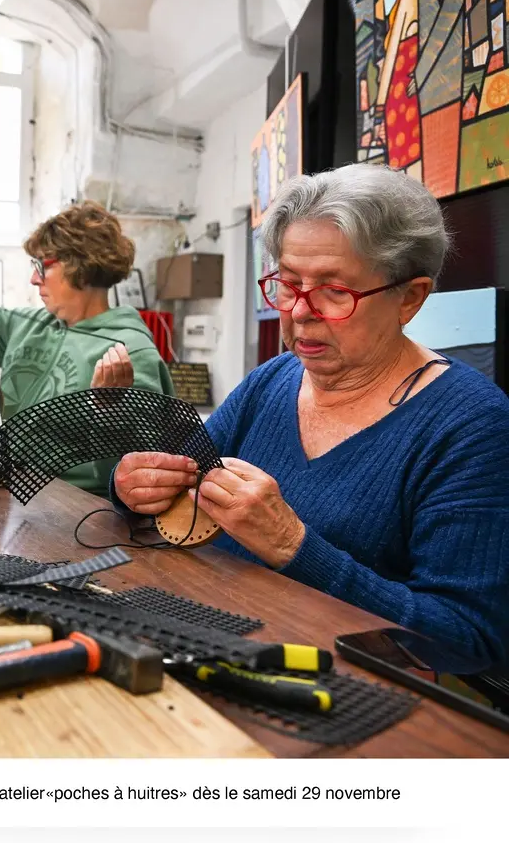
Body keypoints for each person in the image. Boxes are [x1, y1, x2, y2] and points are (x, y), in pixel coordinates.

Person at [111, 164, 509, 668]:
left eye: (334, 292)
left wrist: (294, 546)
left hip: (338, 698)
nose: (300, 311)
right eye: (288, 283)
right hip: (213, 649)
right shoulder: (272, 380)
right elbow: (177, 490)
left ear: (410, 298)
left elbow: (467, 639)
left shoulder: (471, 425)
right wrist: (134, 489)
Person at [0, 201, 174, 494]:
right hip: (3, 497)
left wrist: (111, 411)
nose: (34, 278)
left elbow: (141, 476)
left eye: (42, 265)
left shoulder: (130, 353)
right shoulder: (30, 325)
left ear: (81, 268)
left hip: (78, 517)